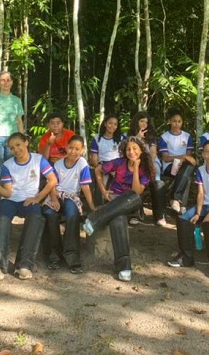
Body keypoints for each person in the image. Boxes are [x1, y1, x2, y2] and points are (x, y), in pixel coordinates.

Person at [0, 133, 58, 286]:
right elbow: (8, 192)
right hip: (10, 201)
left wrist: (38, 198)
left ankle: (24, 264)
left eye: (18, 145)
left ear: (26, 142)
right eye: (12, 148)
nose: (16, 150)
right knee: (0, 220)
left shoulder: (38, 160)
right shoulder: (8, 165)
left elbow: (53, 180)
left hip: (29, 201)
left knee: (36, 219)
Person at [166, 140, 209, 280]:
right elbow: (201, 194)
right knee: (183, 219)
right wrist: (198, 213)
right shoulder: (201, 170)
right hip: (205, 205)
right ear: (203, 154)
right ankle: (186, 257)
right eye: (207, 151)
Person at [92, 136, 153, 281]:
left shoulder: (146, 169)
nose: (131, 152)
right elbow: (98, 170)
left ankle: (95, 219)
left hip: (131, 203)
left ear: (141, 151)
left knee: (133, 198)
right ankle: (124, 267)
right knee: (118, 219)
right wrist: (103, 191)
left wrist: (136, 168)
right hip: (114, 201)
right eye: (128, 149)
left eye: (135, 149)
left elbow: (136, 191)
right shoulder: (119, 163)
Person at [42, 135, 96, 273]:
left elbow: (85, 186)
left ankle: (72, 256)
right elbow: (52, 183)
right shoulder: (58, 164)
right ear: (66, 148)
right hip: (55, 194)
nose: (73, 151)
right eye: (71, 148)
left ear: (82, 150)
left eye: (77, 149)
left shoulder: (82, 163)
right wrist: (54, 199)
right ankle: (54, 253)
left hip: (71, 196)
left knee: (72, 214)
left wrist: (91, 206)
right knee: (49, 214)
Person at [0, 71, 25, 177]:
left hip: (12, 137)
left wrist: (22, 139)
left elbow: (19, 121)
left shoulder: (16, 100)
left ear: (12, 82)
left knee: (11, 163)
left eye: (8, 80)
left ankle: (8, 183)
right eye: (3, 80)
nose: (5, 83)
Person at [159, 108, 197, 214]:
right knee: (186, 173)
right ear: (170, 122)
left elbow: (189, 157)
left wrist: (183, 159)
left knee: (187, 169)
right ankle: (180, 202)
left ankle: (176, 200)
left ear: (182, 122)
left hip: (183, 165)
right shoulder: (164, 137)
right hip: (169, 166)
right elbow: (166, 158)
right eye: (174, 121)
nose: (177, 124)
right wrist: (182, 157)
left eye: (179, 121)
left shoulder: (187, 136)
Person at [89, 114, 125, 208]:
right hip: (103, 166)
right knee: (103, 177)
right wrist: (105, 169)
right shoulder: (97, 138)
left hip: (118, 166)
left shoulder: (121, 138)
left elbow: (124, 156)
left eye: (115, 124)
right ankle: (101, 204)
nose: (112, 126)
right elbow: (94, 159)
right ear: (105, 124)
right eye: (110, 123)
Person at [128, 111, 161, 178]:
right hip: (133, 160)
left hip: (150, 160)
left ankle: (157, 182)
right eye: (141, 121)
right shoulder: (128, 136)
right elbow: (128, 150)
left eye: (146, 122)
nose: (144, 124)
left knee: (155, 166)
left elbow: (153, 153)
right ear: (136, 122)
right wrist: (137, 138)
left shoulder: (151, 136)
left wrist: (150, 164)